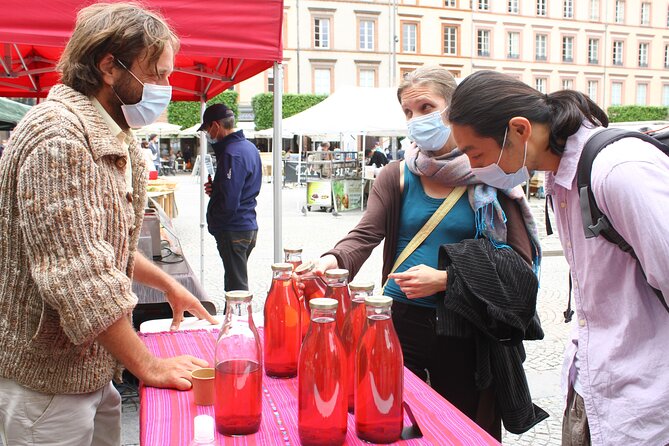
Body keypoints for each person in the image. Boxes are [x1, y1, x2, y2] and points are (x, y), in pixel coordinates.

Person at [0, 4, 218, 445]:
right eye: (156, 75)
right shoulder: (58, 137)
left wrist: (169, 284)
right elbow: (80, 274)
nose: (166, 88)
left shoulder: (108, 134)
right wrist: (149, 365)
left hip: (93, 365)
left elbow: (101, 243)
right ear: (108, 67)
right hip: (47, 382)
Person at [310, 66, 546, 439]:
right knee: (394, 419)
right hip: (395, 321)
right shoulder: (396, 175)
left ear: (454, 108)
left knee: (459, 426)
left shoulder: (490, 173)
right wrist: (334, 260)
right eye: (408, 112)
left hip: (463, 327)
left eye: (426, 107)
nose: (417, 120)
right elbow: (365, 234)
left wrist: (446, 279)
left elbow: (518, 267)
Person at [446, 70, 669, 446]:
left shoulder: (619, 170)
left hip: (647, 406)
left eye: (475, 152)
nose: (472, 166)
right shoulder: (561, 179)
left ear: (519, 130)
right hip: (595, 389)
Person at [200, 103, 262, 292]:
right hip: (247, 225)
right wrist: (218, 189)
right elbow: (244, 185)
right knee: (235, 281)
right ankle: (234, 318)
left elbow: (229, 202)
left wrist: (216, 222)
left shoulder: (231, 153)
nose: (207, 134)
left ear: (216, 126)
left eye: (207, 129)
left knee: (236, 288)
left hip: (234, 228)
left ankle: (237, 320)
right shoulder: (248, 148)